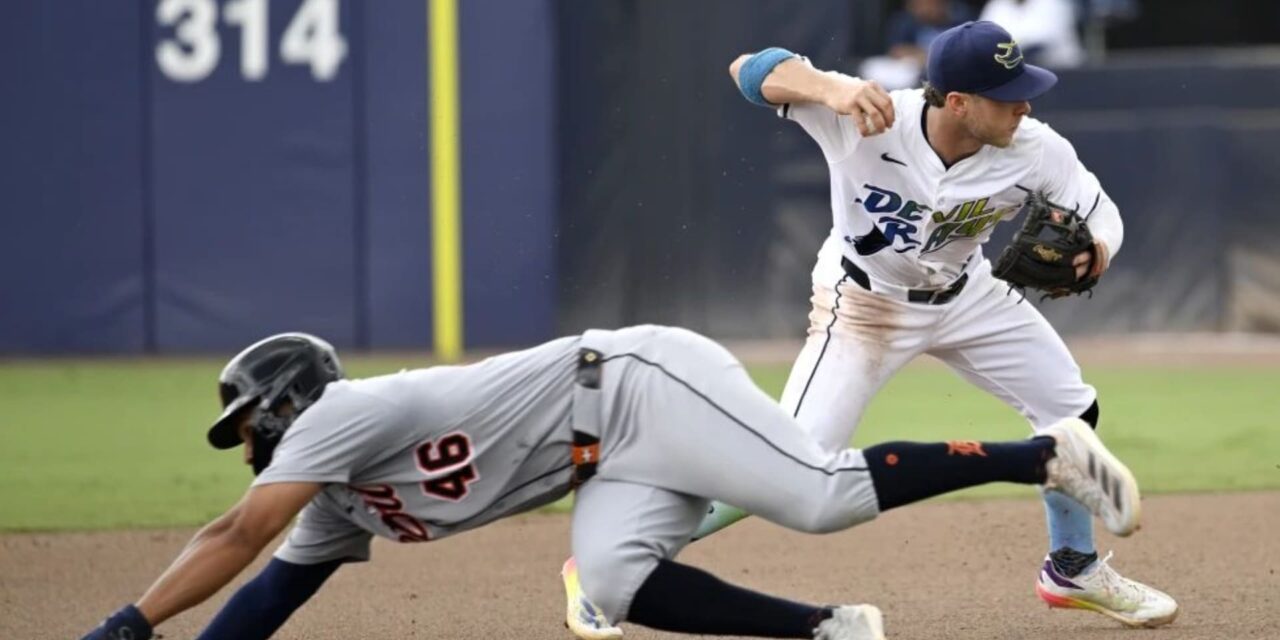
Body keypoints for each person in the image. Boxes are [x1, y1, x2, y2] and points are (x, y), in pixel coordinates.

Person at [560, 20, 1178, 638]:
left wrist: (1096, 249)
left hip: (971, 296)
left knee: (1071, 410)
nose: (1025, 103)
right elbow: (748, 67)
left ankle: (1072, 569)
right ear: (958, 102)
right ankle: (606, 561)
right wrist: (827, 88)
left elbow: (1101, 212)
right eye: (1007, 93)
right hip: (864, 305)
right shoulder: (865, 116)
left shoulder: (1036, 148)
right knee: (784, 465)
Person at [80, 326, 1141, 640]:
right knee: (617, 581)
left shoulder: (345, 413)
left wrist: (131, 622)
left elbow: (232, 538)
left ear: (291, 400)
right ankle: (828, 630)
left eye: (251, 418)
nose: (252, 439)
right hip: (605, 457)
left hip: (635, 382)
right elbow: (271, 591)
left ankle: (1040, 454)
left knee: (815, 494)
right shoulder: (333, 499)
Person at [980, 0, 1085, 68]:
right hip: (1013, 71)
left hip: (1061, 71)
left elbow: (1040, 42)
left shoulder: (1053, 4)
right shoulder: (997, 5)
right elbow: (982, 37)